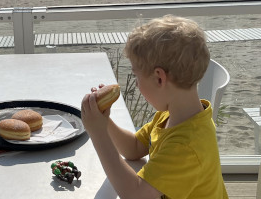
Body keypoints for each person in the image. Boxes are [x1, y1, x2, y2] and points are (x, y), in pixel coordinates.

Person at [81, 15, 228, 199]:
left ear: (159, 78)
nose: (136, 84)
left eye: (137, 77)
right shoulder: (169, 117)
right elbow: (133, 149)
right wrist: (104, 121)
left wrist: (98, 134)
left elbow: (136, 194)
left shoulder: (186, 145)